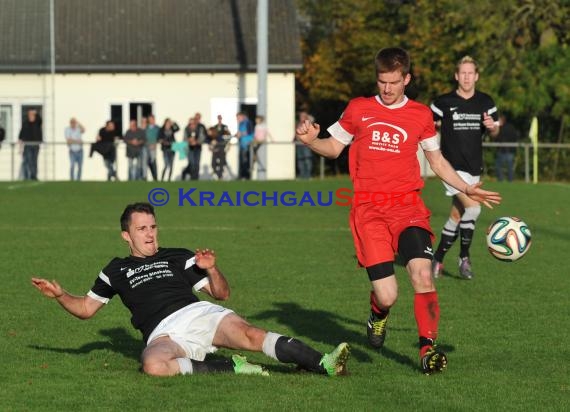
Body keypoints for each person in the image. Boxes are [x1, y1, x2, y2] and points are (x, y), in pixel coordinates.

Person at [295, 47, 501, 374]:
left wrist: (466, 187)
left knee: (422, 274)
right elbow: (333, 148)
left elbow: (436, 161)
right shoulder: (359, 109)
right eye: (381, 82)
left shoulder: (419, 115)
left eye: (393, 82)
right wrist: (310, 142)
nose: (387, 89)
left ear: (407, 78)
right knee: (388, 295)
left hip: (408, 208)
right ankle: (378, 315)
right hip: (368, 212)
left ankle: (426, 350)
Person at [31, 202, 350, 377]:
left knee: (251, 335)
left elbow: (222, 294)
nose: (150, 234)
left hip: (199, 313)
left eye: (153, 227)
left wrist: (211, 268)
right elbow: (86, 309)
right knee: (154, 366)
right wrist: (61, 296)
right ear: (126, 236)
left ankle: (323, 362)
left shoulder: (177, 256)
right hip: (164, 333)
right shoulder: (115, 270)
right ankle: (230, 367)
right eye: (141, 229)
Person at [430, 56, 500, 280]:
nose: (467, 77)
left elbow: (495, 131)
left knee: (456, 215)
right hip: (450, 167)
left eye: (471, 73)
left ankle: (437, 259)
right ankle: (464, 257)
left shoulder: (486, 102)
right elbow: (427, 126)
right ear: (456, 76)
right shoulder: (442, 102)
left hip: (473, 168)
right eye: (463, 73)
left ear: (476, 76)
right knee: (474, 208)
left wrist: (492, 128)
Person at [494, 114, 520, 182]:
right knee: (508, 167)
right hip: (507, 150)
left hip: (505, 151)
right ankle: (509, 180)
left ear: (502, 120)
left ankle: (502, 180)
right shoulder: (511, 127)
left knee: (500, 166)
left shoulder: (502, 128)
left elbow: (498, 138)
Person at [18, 109, 43, 180]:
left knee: (34, 161)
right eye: (30, 114)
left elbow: (40, 119)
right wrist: (20, 147)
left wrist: (36, 113)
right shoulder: (25, 123)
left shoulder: (37, 122)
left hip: (35, 144)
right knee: (28, 160)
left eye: (32, 115)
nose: (31, 116)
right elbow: (21, 135)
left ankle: (33, 176)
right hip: (27, 144)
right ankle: (27, 176)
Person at [208, 115, 231, 180]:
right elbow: (211, 138)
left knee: (221, 162)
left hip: (222, 147)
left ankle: (220, 176)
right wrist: (211, 145)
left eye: (220, 118)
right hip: (215, 147)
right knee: (213, 163)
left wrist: (228, 144)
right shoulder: (214, 127)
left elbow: (228, 137)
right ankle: (218, 174)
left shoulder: (225, 127)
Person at [294, 111, 314, 179]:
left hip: (306, 144)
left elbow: (312, 119)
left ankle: (308, 175)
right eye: (300, 116)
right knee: (300, 160)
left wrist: (307, 117)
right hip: (298, 144)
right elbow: (296, 132)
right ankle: (302, 175)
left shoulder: (308, 123)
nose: (301, 117)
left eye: (302, 116)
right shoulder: (298, 123)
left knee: (307, 160)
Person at [236, 112, 254, 180]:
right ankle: (242, 176)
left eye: (238, 118)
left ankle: (246, 176)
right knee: (241, 161)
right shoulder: (240, 124)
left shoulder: (248, 122)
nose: (237, 119)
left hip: (247, 144)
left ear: (242, 116)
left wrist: (240, 134)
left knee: (246, 161)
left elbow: (250, 132)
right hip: (242, 145)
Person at [144, 114, 160, 181]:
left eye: (152, 119)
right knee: (145, 162)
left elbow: (159, 137)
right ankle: (144, 177)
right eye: (150, 119)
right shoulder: (146, 128)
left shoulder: (157, 128)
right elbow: (143, 137)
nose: (151, 121)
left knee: (153, 161)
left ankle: (155, 177)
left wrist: (155, 143)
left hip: (153, 147)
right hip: (146, 147)